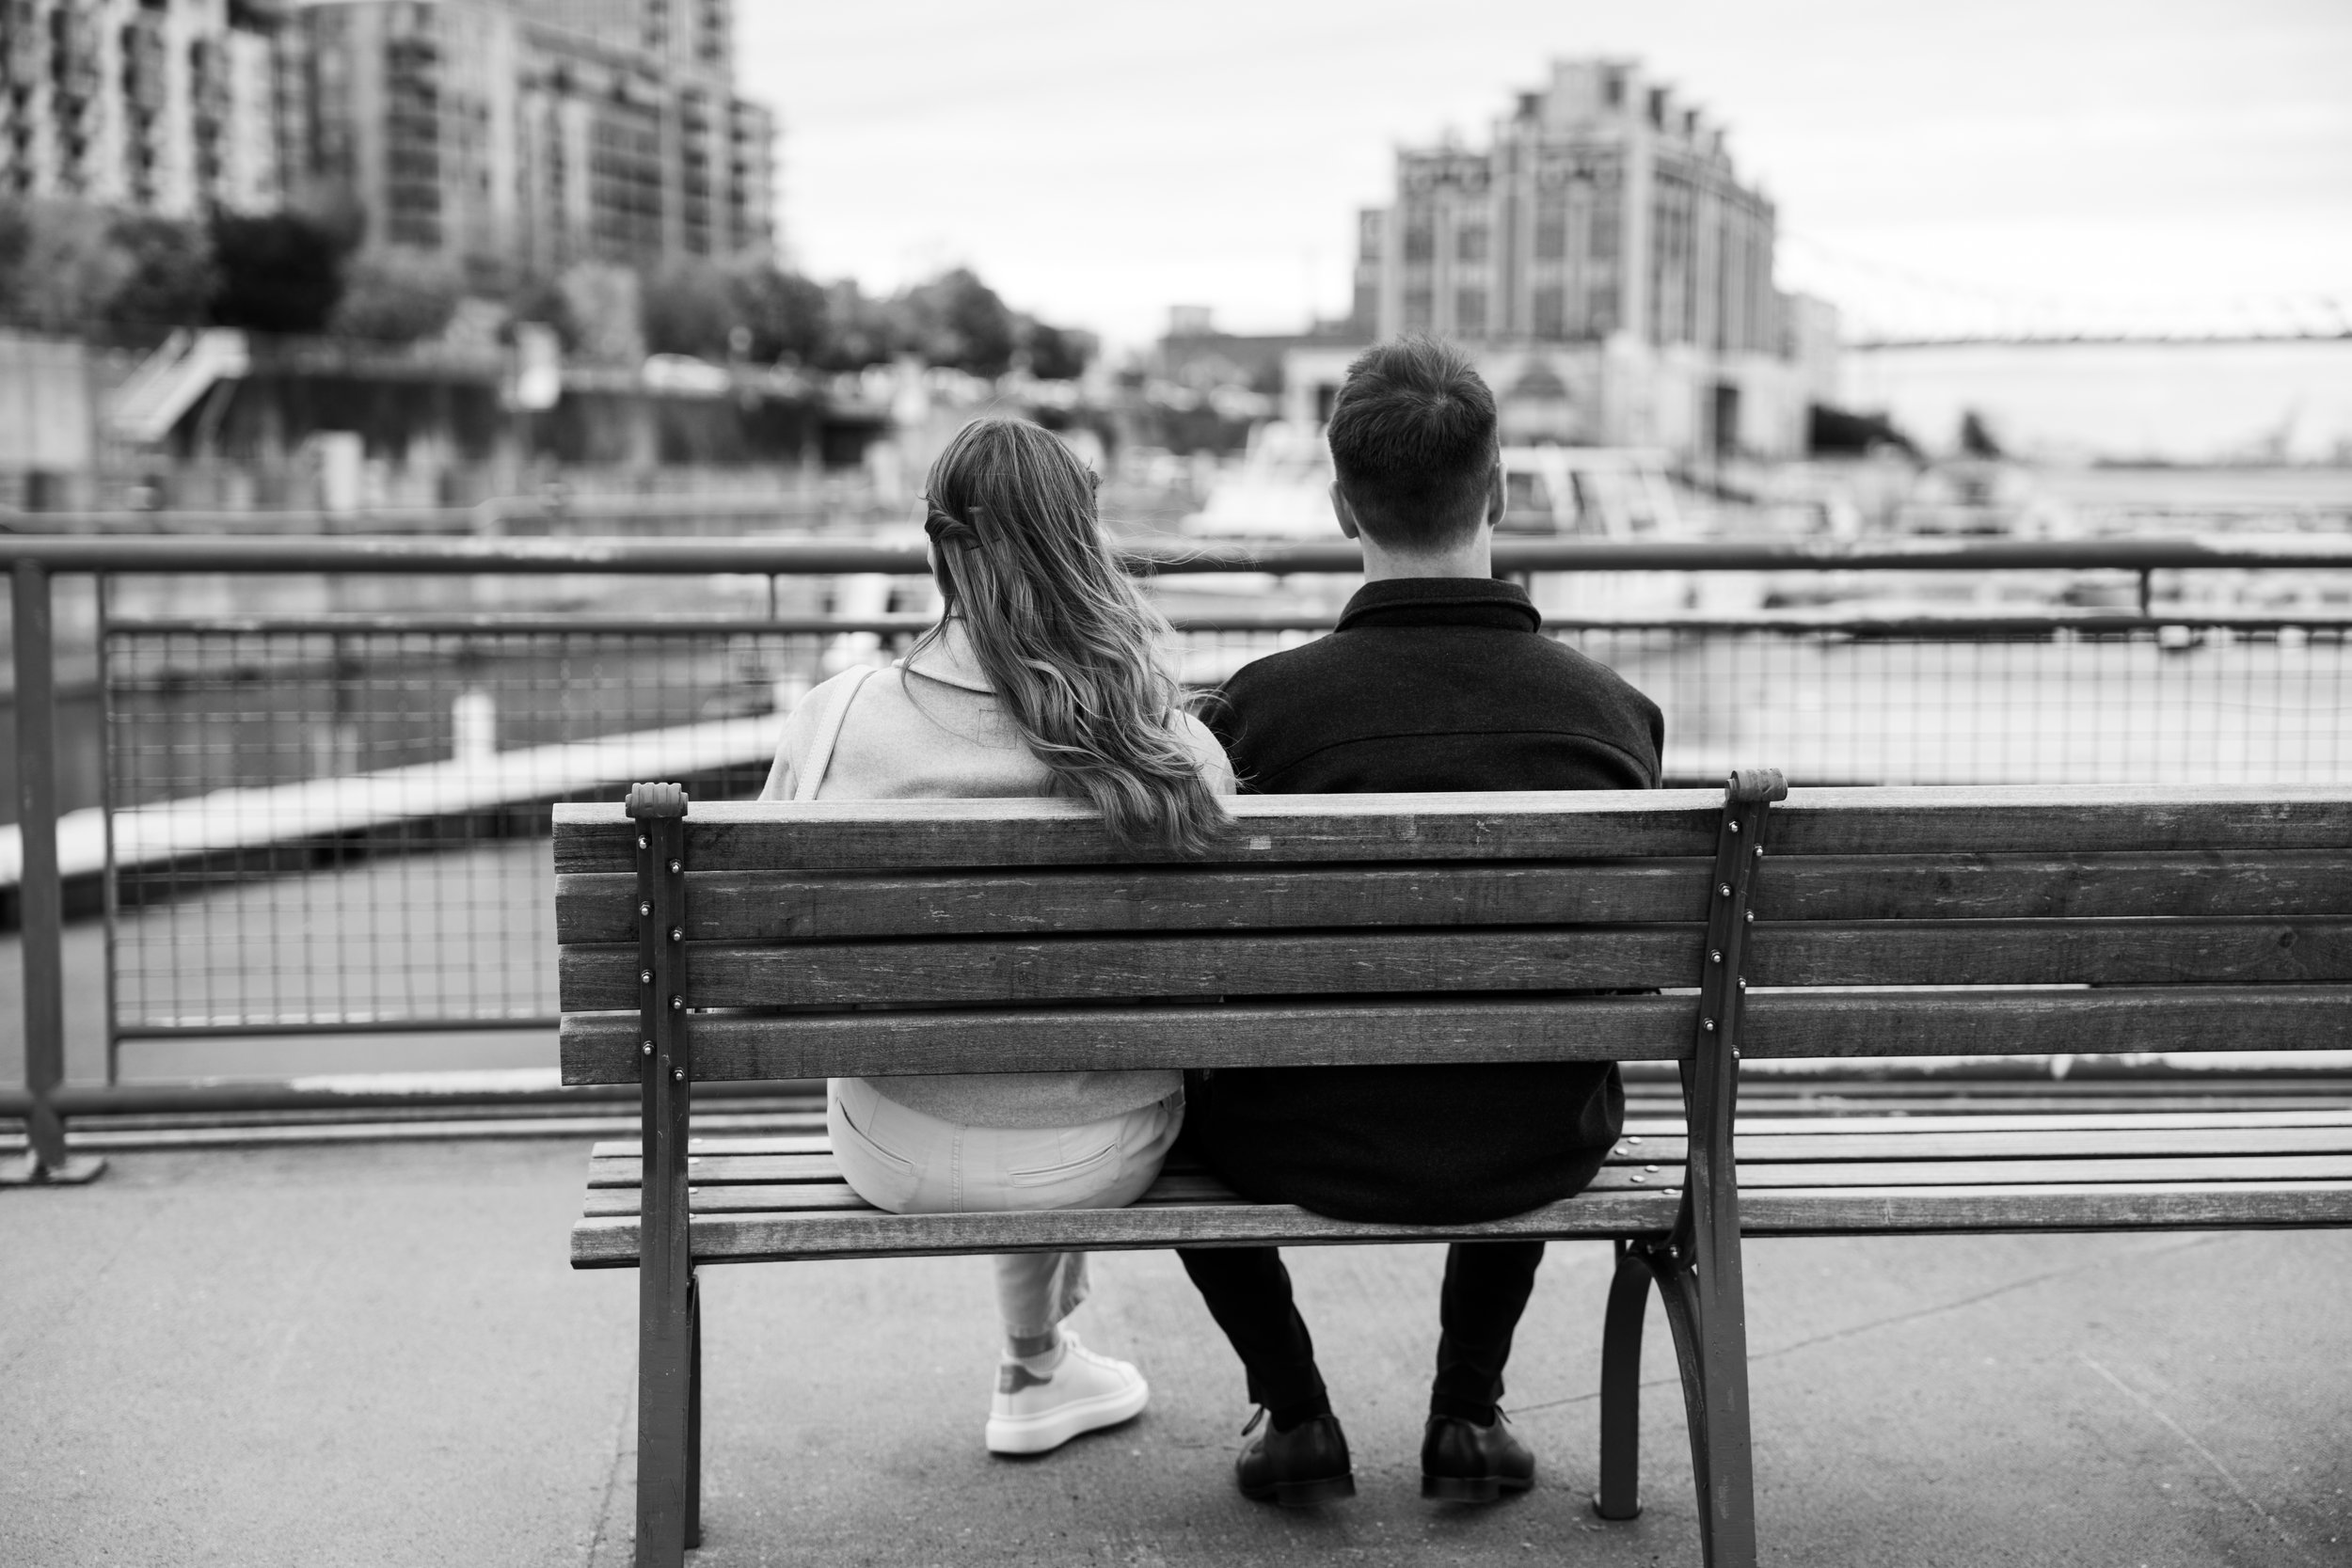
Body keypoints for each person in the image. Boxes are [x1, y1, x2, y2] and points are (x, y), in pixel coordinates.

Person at [1179, 338, 1664, 1507]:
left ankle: (1293, 1407)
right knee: (1528, 1036)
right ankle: (1467, 1404)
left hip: (1290, 1137)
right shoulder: (1614, 719)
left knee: (1168, 1091)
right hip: (1535, 1135)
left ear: (1340, 501)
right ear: (1497, 492)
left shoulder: (1259, 711)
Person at [761, 416, 1234, 1457]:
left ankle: (1037, 1363)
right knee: (1067, 1061)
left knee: (980, 1052)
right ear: (1082, 545)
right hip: (1097, 1151)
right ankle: (1034, 1362)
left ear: (938, 548)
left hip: (889, 1141)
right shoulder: (1163, 739)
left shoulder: (833, 719)